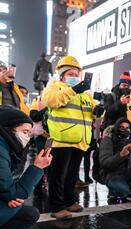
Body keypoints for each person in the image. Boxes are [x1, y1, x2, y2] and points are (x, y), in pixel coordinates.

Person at [41, 55, 97, 219]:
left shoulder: (85, 93)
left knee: (72, 175)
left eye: (75, 74)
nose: (73, 77)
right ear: (62, 75)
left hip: (80, 140)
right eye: (70, 74)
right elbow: (51, 101)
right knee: (58, 175)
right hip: (61, 139)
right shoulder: (54, 88)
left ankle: (69, 201)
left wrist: (99, 111)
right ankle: (57, 207)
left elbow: (92, 109)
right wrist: (73, 90)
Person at [0, 106, 52, 229]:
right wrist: (37, 167)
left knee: (25, 211)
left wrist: (10, 196)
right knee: (20, 209)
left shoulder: (6, 146)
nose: (27, 137)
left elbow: (6, 186)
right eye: (24, 132)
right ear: (8, 128)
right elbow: (14, 193)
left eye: (29, 134)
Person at [99, 118, 131, 203]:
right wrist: (121, 155)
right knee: (124, 192)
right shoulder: (108, 140)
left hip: (129, 173)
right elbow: (105, 163)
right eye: (122, 127)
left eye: (128, 127)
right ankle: (116, 191)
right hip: (114, 175)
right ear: (116, 128)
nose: (125, 130)